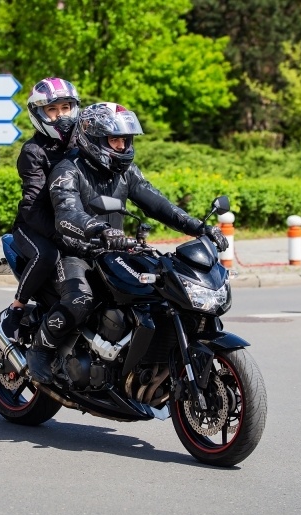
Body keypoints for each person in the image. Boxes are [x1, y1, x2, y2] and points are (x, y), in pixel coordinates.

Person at [24, 102, 229, 383]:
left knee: (161, 292)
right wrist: (98, 229)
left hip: (116, 251)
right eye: (115, 139)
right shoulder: (67, 170)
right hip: (75, 252)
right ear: (94, 139)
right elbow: (67, 214)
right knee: (81, 299)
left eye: (126, 139)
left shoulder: (126, 172)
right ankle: (40, 349)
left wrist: (201, 228)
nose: (122, 146)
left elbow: (159, 205)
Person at [0, 78, 81, 340]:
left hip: (73, 224)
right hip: (34, 225)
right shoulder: (33, 151)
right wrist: (60, 234)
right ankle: (16, 308)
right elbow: (31, 206)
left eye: (66, 107)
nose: (60, 115)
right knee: (47, 254)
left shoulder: (84, 145)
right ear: (39, 113)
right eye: (52, 109)